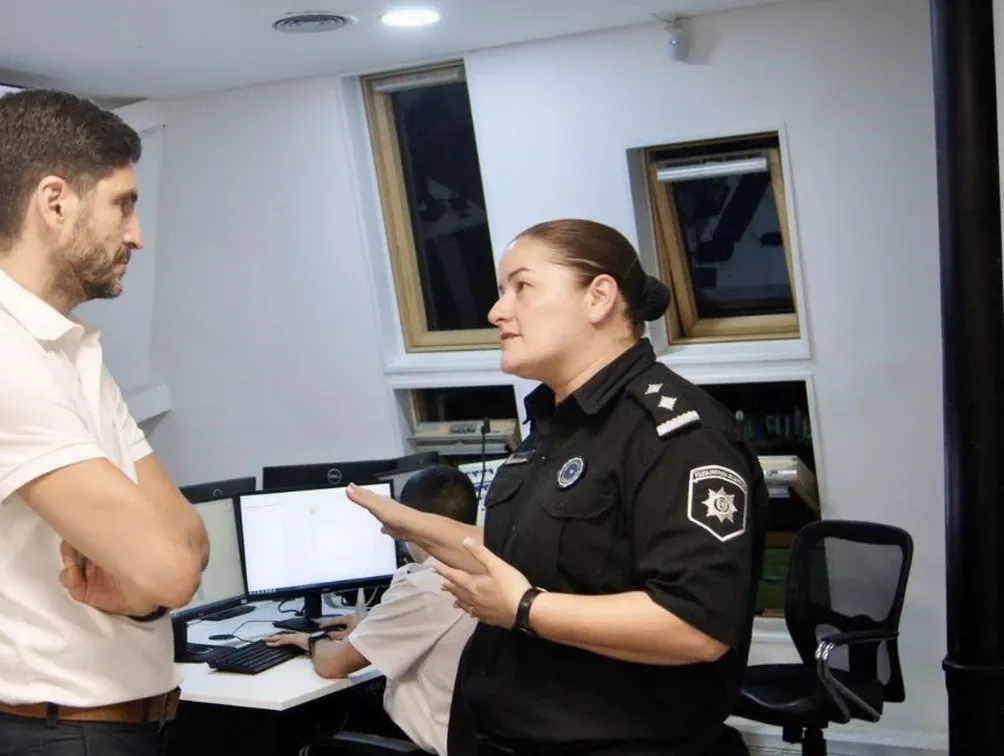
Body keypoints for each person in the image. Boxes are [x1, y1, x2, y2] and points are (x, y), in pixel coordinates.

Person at [347, 219, 767, 756]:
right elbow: (520, 558)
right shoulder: (555, 428)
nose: (497, 311)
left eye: (521, 287)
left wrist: (525, 608)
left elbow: (694, 625)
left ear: (599, 298)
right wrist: (411, 522)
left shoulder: (676, 434)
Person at [0, 88, 208, 756]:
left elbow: (188, 543)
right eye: (122, 204)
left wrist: (144, 594)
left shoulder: (67, 352)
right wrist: (154, 577)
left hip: (112, 727)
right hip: (53, 734)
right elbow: (171, 564)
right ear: (55, 201)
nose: (137, 235)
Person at [265, 464, 480, 756]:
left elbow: (332, 665)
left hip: (425, 744)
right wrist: (369, 628)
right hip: (471, 736)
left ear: (410, 522)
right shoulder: (487, 573)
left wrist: (312, 640)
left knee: (293, 726)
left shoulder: (424, 586)